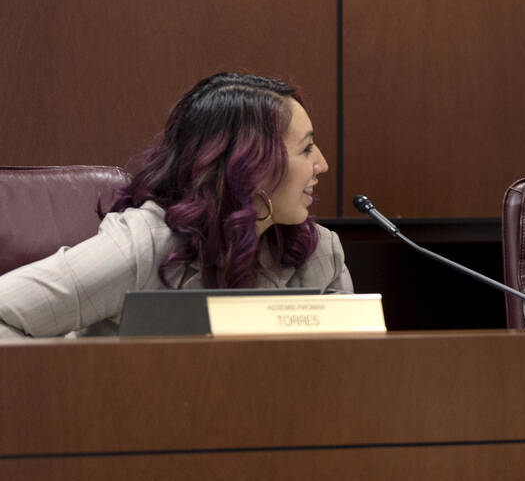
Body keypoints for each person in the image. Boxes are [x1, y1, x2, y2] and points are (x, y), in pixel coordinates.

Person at [0, 72, 352, 338]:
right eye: (306, 149)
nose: (321, 164)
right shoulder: (142, 247)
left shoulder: (320, 252)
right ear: (250, 165)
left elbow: (347, 370)